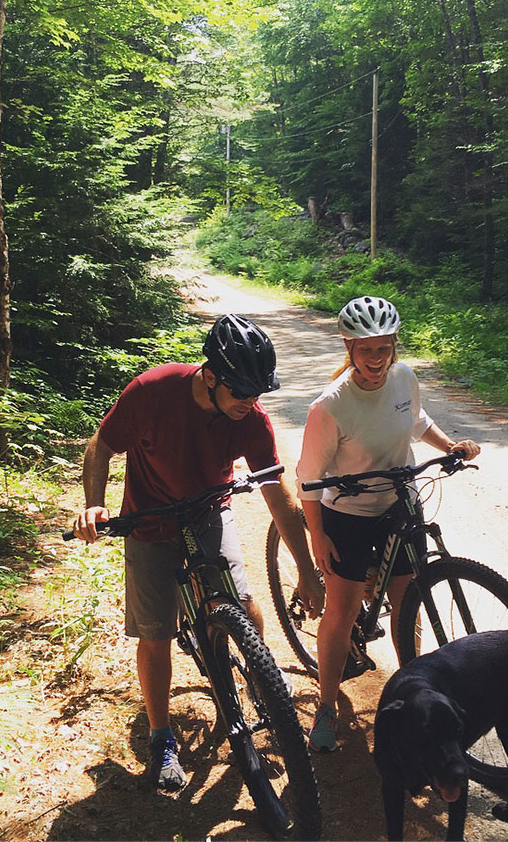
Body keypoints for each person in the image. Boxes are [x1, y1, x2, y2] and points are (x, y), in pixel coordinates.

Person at [72, 314, 324, 790]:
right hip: (147, 521)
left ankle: (258, 672)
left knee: (243, 606)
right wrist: (93, 504)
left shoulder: (250, 417)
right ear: (210, 377)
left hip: (209, 509)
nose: (251, 404)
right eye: (242, 393)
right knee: (156, 633)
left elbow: (278, 495)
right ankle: (161, 736)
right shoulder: (152, 391)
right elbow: (100, 446)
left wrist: (308, 571)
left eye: (258, 394)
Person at [295, 296, 480, 753]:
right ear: (349, 347)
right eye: (365, 349)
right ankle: (325, 704)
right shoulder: (331, 406)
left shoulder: (404, 378)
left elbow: (417, 421)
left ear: (393, 346)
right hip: (349, 514)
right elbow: (309, 480)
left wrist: (449, 444)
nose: (375, 359)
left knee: (408, 601)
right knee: (341, 609)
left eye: (383, 348)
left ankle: (415, 695)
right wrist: (317, 535)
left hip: (400, 502)